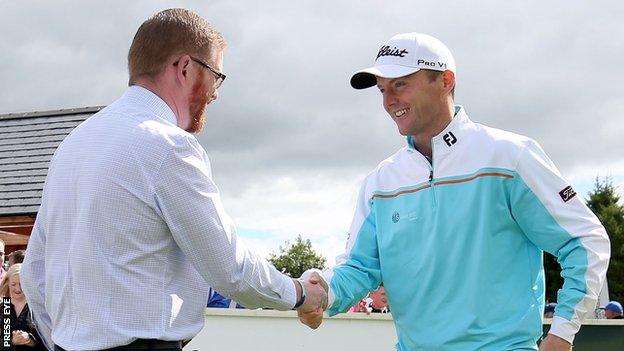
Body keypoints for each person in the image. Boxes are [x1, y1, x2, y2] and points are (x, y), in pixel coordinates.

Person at [20, 8, 326, 351]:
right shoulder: (169, 145)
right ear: (184, 67)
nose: (216, 93)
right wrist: (299, 293)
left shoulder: (72, 144)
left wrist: (61, 342)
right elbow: (229, 269)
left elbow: (34, 273)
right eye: (216, 76)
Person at [298, 32, 610, 351]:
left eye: (400, 84)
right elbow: (359, 268)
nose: (388, 101)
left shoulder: (509, 157)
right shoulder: (381, 181)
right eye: (382, 90)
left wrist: (561, 334)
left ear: (445, 80)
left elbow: (585, 240)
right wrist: (323, 293)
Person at [0, 264, 45, 350]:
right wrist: (12, 341)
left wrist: (29, 340)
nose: (18, 289)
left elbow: (46, 341)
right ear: (8, 283)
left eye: (22, 284)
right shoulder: (4, 307)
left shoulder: (36, 307)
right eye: (13, 284)